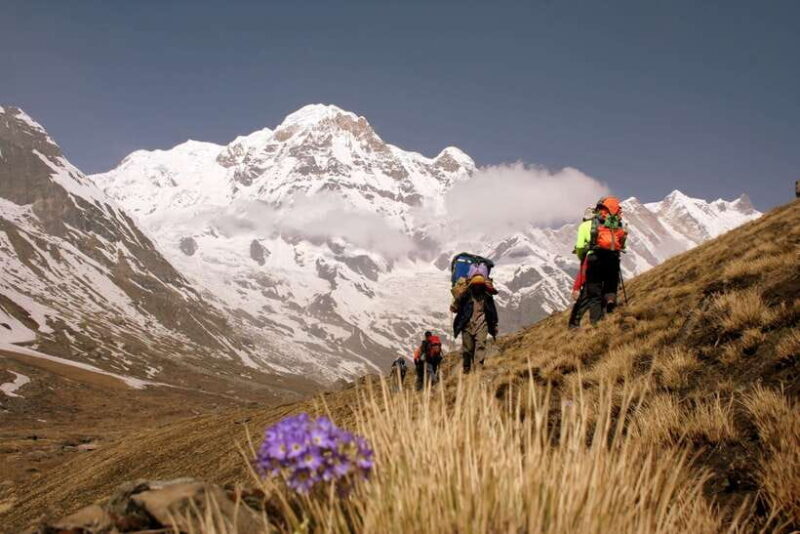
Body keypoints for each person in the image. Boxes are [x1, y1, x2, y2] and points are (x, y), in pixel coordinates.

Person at [574, 196, 627, 324]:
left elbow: (580, 246)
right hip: (613, 258)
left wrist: (582, 257)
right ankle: (610, 303)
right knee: (611, 286)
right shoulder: (618, 224)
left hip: (594, 259)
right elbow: (622, 243)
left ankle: (596, 324)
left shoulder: (586, 225)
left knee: (594, 294)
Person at [453, 275, 498, 373]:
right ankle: (467, 367)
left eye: (479, 286)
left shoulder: (487, 297)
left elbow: (492, 311)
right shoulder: (466, 296)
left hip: (482, 324)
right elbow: (457, 308)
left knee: (481, 345)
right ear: (472, 286)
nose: (478, 287)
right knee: (468, 348)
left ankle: (478, 369)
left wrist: (494, 325)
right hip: (467, 325)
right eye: (476, 285)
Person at [568, 207, 595, 328]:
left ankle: (574, 324)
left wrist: (576, 287)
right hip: (607, 263)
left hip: (590, 264)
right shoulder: (603, 227)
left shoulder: (584, 227)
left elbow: (579, 246)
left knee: (586, 296)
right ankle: (599, 321)